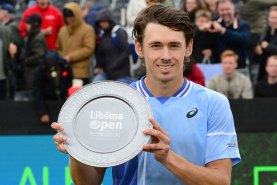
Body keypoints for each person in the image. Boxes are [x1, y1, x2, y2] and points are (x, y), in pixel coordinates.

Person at [52, 5, 240, 185]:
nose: (165, 55)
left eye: (174, 45)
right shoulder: (117, 103)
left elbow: (221, 181)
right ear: (139, 48)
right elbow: (87, 183)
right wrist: (76, 149)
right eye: (156, 46)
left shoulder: (214, 103)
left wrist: (168, 158)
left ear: (188, 47)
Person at [57, 2, 95, 86]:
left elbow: (89, 49)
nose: (69, 19)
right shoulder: (62, 30)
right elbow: (58, 47)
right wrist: (63, 57)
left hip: (80, 73)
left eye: (71, 16)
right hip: (64, 70)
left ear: (77, 15)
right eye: (67, 17)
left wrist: (70, 57)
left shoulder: (87, 29)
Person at [92, 8, 135, 84]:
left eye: (104, 21)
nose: (102, 23)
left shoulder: (118, 32)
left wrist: (114, 65)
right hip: (107, 73)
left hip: (122, 74)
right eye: (100, 22)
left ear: (109, 20)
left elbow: (126, 51)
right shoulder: (102, 35)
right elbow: (101, 54)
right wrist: (99, 66)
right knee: (95, 83)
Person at [254, 6, 277, 81]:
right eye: (272, 18)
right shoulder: (266, 32)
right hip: (263, 70)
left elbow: (268, 47)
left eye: (276, 18)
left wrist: (268, 47)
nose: (273, 21)